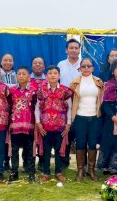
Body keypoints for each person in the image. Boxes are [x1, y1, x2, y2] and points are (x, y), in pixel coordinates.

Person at [35, 66, 73, 183]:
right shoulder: (41, 91)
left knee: (59, 150)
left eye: (55, 73)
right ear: (46, 76)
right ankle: (46, 173)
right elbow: (37, 108)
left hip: (60, 127)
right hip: (45, 127)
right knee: (46, 150)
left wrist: (68, 124)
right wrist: (38, 123)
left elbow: (70, 109)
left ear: (59, 76)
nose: (52, 75)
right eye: (50, 73)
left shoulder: (65, 91)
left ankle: (58, 172)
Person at [70, 58, 104, 181]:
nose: (86, 68)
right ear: (80, 68)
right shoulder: (74, 83)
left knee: (93, 143)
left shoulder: (99, 82)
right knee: (80, 144)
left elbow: (102, 99)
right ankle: (80, 170)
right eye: (83, 66)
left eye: (88, 66)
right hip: (79, 117)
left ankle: (91, 170)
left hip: (95, 117)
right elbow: (71, 101)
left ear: (93, 68)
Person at [8, 66, 37, 184]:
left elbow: (37, 106)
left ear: (29, 76)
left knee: (29, 149)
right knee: (14, 150)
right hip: (15, 125)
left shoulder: (34, 90)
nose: (21, 76)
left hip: (29, 124)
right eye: (19, 74)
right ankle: (14, 172)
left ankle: (31, 173)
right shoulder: (12, 90)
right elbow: (9, 106)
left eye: (23, 74)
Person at [57, 38, 82, 169]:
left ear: (79, 50)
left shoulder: (84, 65)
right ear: (66, 50)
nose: (73, 50)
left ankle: (81, 165)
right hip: (63, 103)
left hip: (81, 103)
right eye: (71, 48)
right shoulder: (61, 64)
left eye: (76, 48)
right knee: (65, 132)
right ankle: (63, 161)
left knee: (78, 133)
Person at [0, 53, 17, 173]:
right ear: (1, 62)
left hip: (14, 110)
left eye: (10, 60)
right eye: (5, 60)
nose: (8, 62)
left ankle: (8, 161)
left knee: (9, 137)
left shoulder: (17, 75)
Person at [29, 56, 46, 173]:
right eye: (35, 63)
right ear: (31, 66)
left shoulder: (49, 80)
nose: (37, 65)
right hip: (28, 114)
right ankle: (28, 163)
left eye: (40, 63)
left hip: (44, 115)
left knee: (43, 139)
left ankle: (42, 162)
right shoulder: (26, 79)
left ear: (44, 66)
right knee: (29, 140)